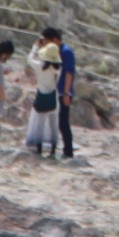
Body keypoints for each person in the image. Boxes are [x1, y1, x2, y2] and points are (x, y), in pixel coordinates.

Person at [41, 28, 79, 160]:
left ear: (55, 39)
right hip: (55, 90)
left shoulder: (66, 52)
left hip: (63, 91)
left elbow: (69, 73)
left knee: (63, 122)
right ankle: (53, 147)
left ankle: (68, 150)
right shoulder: (53, 52)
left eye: (47, 41)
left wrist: (67, 93)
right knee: (54, 121)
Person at [27, 43, 63, 157]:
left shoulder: (39, 66)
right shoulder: (58, 69)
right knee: (53, 125)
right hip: (53, 99)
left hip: (41, 97)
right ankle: (53, 150)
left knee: (40, 125)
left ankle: (39, 150)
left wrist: (35, 47)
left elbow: (29, 59)